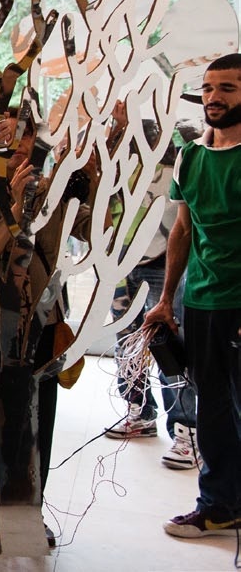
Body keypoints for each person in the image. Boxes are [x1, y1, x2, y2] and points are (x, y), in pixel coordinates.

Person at [0, 111, 91, 553]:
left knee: (39, 423)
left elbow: (93, 229)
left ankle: (30, 512)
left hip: (41, 318)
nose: (17, 144)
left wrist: (93, 175)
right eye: (9, 134)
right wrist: (17, 206)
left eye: (26, 134)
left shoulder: (56, 186)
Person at [146, 53, 241, 539]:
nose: (213, 97)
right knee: (213, 408)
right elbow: (182, 229)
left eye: (226, 88)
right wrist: (166, 299)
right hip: (201, 301)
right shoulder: (192, 155)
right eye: (207, 88)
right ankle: (219, 505)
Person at [106, 117, 199, 470]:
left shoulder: (175, 166)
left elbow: (183, 222)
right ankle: (139, 411)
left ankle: (186, 431)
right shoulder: (117, 173)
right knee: (127, 344)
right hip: (121, 262)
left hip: (163, 264)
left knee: (169, 347)